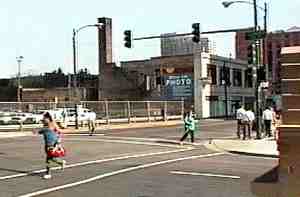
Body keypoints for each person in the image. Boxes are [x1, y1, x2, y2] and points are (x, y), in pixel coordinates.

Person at [36, 112, 66, 179]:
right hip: (47, 144)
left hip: (53, 144)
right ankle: (61, 162)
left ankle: (48, 173)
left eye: (44, 118)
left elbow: (59, 132)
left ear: (48, 118)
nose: (43, 119)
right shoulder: (44, 126)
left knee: (49, 159)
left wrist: (58, 141)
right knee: (50, 158)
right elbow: (39, 132)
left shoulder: (53, 124)